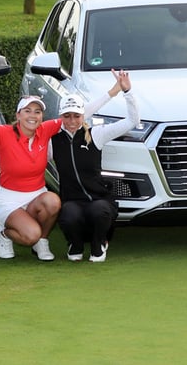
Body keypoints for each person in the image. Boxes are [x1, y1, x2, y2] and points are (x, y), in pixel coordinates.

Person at [0, 77, 112, 261]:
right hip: (9, 200)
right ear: (18, 115)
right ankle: (5, 234)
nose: (33, 115)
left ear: (42, 116)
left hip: (37, 196)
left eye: (38, 112)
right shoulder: (3, 133)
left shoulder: (46, 130)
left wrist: (114, 91)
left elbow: (80, 113)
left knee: (54, 201)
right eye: (28, 111)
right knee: (30, 235)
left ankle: (42, 241)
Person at [52, 71, 136, 262]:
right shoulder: (53, 141)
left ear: (83, 116)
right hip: (72, 200)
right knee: (68, 214)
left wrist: (126, 91)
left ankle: (99, 244)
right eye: (67, 116)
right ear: (60, 117)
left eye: (76, 116)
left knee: (99, 211)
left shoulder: (96, 134)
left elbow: (132, 121)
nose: (72, 121)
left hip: (99, 199)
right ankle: (75, 244)